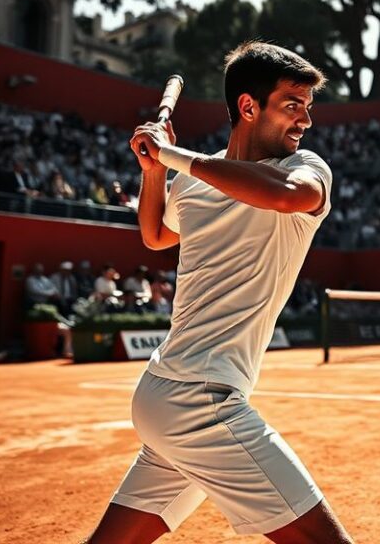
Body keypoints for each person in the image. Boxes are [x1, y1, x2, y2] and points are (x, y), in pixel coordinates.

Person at [85, 41, 352, 544]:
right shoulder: (189, 180)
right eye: (293, 105)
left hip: (172, 394)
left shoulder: (304, 170)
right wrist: (155, 172)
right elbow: (157, 235)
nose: (305, 121)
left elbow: (284, 197)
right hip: (196, 396)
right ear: (249, 107)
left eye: (308, 108)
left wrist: (172, 156)